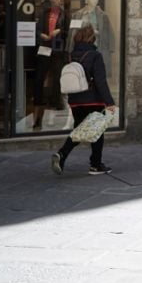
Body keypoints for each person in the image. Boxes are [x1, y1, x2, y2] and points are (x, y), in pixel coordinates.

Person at [51, 25, 116, 175]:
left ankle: (62, 155)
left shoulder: (71, 55)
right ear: (92, 38)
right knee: (97, 131)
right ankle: (96, 165)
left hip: (75, 100)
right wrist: (110, 102)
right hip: (93, 99)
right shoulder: (95, 55)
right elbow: (100, 81)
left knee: (80, 130)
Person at [33, 0, 69, 127]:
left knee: (58, 76)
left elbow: (69, 30)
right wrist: (41, 35)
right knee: (39, 77)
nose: (59, 1)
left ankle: (56, 101)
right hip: (44, 47)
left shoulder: (65, 15)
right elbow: (36, 28)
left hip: (58, 49)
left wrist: (59, 30)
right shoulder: (43, 13)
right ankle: (38, 101)